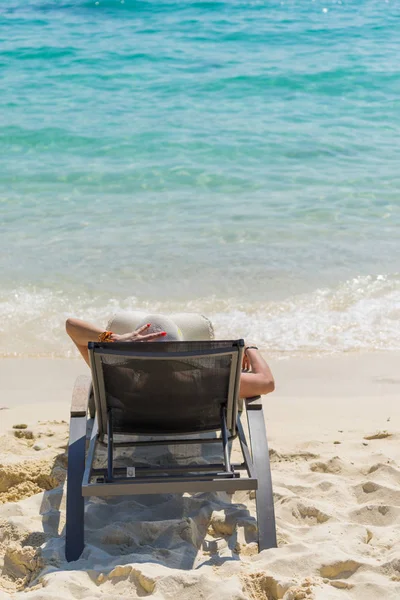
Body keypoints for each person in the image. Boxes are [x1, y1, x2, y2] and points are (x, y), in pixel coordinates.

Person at [65, 316, 275, 399]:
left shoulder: (117, 376)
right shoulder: (206, 379)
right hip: (189, 427)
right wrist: (249, 348)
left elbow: (71, 326)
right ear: (181, 350)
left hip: (133, 428)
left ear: (134, 351)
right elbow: (267, 383)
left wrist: (114, 339)